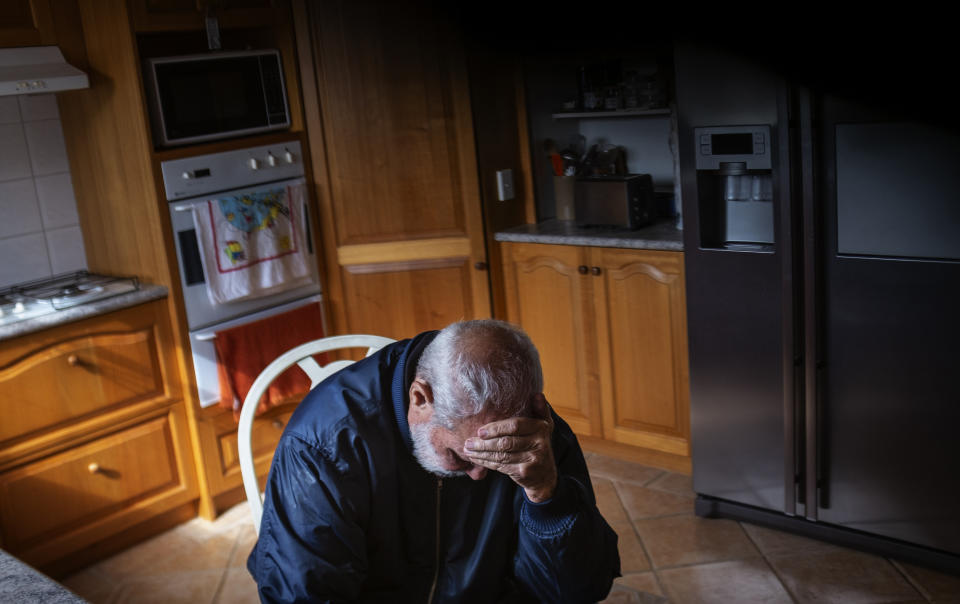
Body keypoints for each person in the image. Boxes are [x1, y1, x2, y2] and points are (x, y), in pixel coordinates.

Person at [247, 319, 621, 602]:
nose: (480, 475)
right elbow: (306, 594)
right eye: (461, 456)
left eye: (494, 460)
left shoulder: (532, 435)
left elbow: (578, 591)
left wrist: (547, 496)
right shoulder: (324, 443)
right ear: (420, 398)